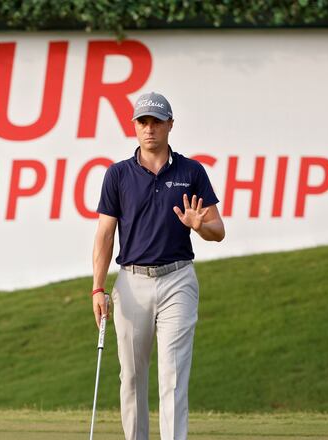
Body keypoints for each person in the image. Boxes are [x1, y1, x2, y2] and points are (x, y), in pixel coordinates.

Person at [91, 92, 225, 440]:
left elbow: (218, 231)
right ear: (135, 126)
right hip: (131, 282)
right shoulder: (118, 175)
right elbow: (105, 235)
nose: (149, 128)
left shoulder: (191, 171)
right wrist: (98, 288)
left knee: (173, 374)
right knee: (132, 377)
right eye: (142, 122)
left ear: (170, 125)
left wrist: (200, 225)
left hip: (178, 279)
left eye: (156, 121)